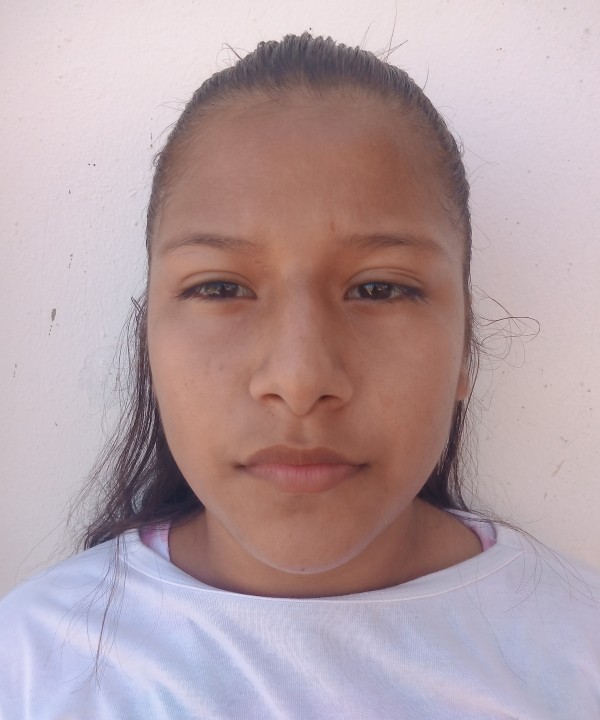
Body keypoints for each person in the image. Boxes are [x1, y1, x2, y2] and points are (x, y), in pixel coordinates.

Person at [0, 32, 598, 719]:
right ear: (149, 344)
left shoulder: (579, 655)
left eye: (378, 289)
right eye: (221, 288)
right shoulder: (30, 666)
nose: (300, 378)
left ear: (466, 345)